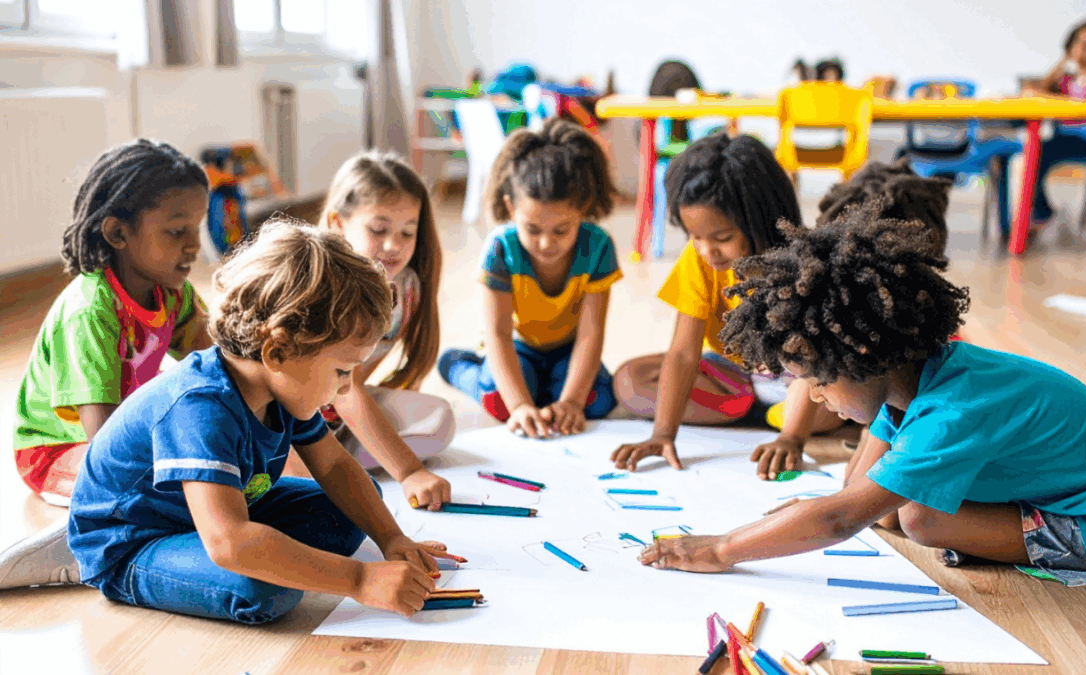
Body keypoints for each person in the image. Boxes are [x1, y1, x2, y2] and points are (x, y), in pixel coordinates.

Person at [638, 199, 1086, 588]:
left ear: (862, 359)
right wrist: (829, 508)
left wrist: (725, 549)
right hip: (1061, 486)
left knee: (917, 517)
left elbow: (841, 517)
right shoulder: (912, 376)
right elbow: (851, 489)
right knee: (887, 507)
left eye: (818, 379)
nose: (815, 397)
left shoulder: (950, 411)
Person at [1, 220, 450, 623]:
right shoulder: (200, 408)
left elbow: (333, 467)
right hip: (133, 539)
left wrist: (391, 537)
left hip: (211, 514)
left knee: (353, 509)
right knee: (262, 588)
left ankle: (240, 542)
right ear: (276, 352)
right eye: (340, 371)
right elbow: (230, 544)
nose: (348, 388)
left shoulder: (283, 385)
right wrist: (358, 580)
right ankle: (78, 559)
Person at [609, 133, 842, 479]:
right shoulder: (701, 259)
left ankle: (777, 419)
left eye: (721, 238)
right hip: (732, 376)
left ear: (762, 221)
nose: (706, 250)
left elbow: (816, 366)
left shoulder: (802, 264)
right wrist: (662, 434)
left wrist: (792, 438)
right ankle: (746, 410)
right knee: (631, 380)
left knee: (841, 401)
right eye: (695, 237)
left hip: (798, 383)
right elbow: (683, 354)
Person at [12, 138, 212, 506]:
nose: (195, 245)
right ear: (118, 233)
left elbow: (217, 363)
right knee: (164, 492)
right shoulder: (88, 311)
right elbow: (105, 445)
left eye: (198, 228)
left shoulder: (171, 291)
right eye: (176, 231)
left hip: (126, 430)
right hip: (59, 452)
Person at [438, 118, 621, 438]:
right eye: (532, 230)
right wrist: (521, 405)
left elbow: (590, 335)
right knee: (502, 404)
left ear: (583, 208)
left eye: (561, 230)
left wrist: (572, 403)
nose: (546, 244)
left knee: (598, 401)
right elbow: (499, 334)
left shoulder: (598, 247)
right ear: (511, 208)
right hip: (518, 347)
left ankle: (548, 390)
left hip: (568, 349)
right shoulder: (500, 248)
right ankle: (460, 367)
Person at [318, 151, 455, 509]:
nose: (394, 245)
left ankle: (332, 462)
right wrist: (408, 471)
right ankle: (324, 465)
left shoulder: (406, 287)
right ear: (338, 223)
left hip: (335, 413)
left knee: (439, 419)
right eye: (378, 230)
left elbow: (354, 386)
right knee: (290, 470)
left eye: (407, 232)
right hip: (287, 423)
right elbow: (343, 390)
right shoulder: (328, 288)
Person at [1023, 16, 1086, 233]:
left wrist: (1043, 94)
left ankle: (1040, 212)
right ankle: (1039, 210)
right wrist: (1063, 61)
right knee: (1034, 150)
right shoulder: (1067, 80)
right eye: (1078, 40)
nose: (1083, 45)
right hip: (1067, 137)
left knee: (1039, 151)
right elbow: (1040, 90)